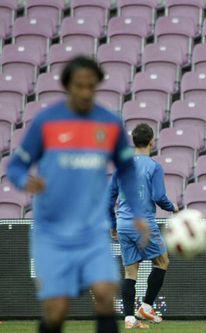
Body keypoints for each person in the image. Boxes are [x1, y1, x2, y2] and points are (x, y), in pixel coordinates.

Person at [7, 56, 149, 333]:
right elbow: (15, 166)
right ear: (67, 86)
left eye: (91, 86)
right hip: (51, 232)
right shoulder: (47, 122)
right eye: (79, 86)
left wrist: (138, 212)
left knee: (106, 293)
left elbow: (128, 171)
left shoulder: (109, 124)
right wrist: (26, 180)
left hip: (92, 231)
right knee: (57, 311)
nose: (85, 92)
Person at [107, 123, 179, 329]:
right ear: (151, 142)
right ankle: (146, 306)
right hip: (143, 224)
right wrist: (173, 207)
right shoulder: (154, 166)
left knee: (130, 273)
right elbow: (158, 196)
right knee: (162, 261)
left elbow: (108, 199)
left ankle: (129, 318)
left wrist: (113, 224)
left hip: (123, 224)